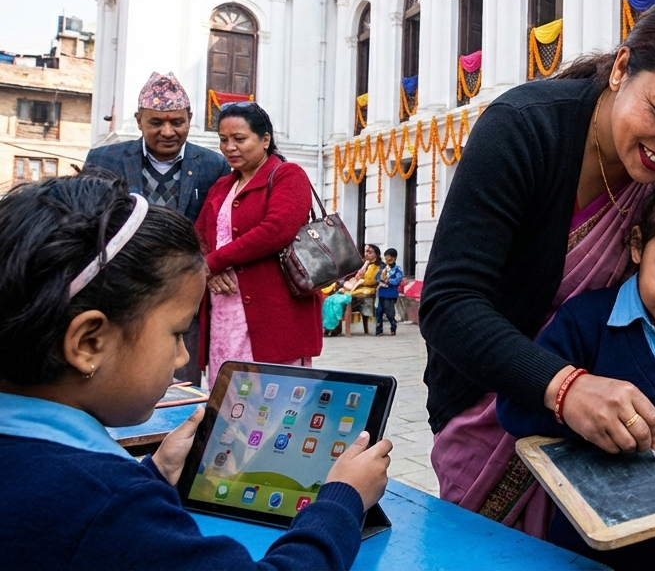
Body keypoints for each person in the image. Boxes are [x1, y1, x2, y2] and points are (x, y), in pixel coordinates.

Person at [420, 0, 655, 537]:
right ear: (621, 68)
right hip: (497, 407)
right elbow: (450, 304)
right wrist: (567, 388)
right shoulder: (524, 129)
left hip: (617, 431)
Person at [0, 172, 392, 570]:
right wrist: (343, 499)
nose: (181, 357)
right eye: (176, 333)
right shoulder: (112, 506)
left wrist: (156, 471)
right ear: (89, 344)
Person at [497, 149, 655, 571]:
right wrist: (577, 411)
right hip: (591, 547)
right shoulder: (584, 324)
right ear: (638, 245)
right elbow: (514, 407)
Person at [83, 72, 230, 384]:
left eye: (177, 122)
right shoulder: (104, 159)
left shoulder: (212, 166)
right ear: (139, 121)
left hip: (182, 294)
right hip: (120, 293)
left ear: (190, 118)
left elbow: (216, 225)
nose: (168, 132)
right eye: (156, 123)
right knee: (114, 379)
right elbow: (87, 221)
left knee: (179, 383)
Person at [195, 102, 321, 377]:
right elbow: (199, 234)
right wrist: (209, 270)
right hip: (225, 312)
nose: (230, 147)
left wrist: (215, 261)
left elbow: (276, 229)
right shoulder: (222, 186)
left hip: (275, 313)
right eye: (223, 140)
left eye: (239, 139)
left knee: (273, 402)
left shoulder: (288, 175)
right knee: (227, 394)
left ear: (265, 140)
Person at [341, 245, 382, 336]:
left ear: (377, 255)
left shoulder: (377, 266)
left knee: (348, 297)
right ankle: (336, 328)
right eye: (366, 252)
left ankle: (348, 332)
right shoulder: (365, 264)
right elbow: (356, 276)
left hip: (367, 289)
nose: (366, 254)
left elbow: (370, 281)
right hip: (359, 286)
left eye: (370, 252)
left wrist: (358, 281)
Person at [376, 249, 404, 337]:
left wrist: (388, 280)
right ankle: (379, 329)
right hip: (381, 293)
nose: (388, 259)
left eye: (390, 257)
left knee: (389, 312)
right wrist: (380, 279)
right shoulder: (382, 268)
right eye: (386, 256)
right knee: (379, 311)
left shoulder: (397, 269)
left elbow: (397, 280)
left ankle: (393, 326)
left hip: (390, 294)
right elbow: (377, 278)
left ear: (394, 258)